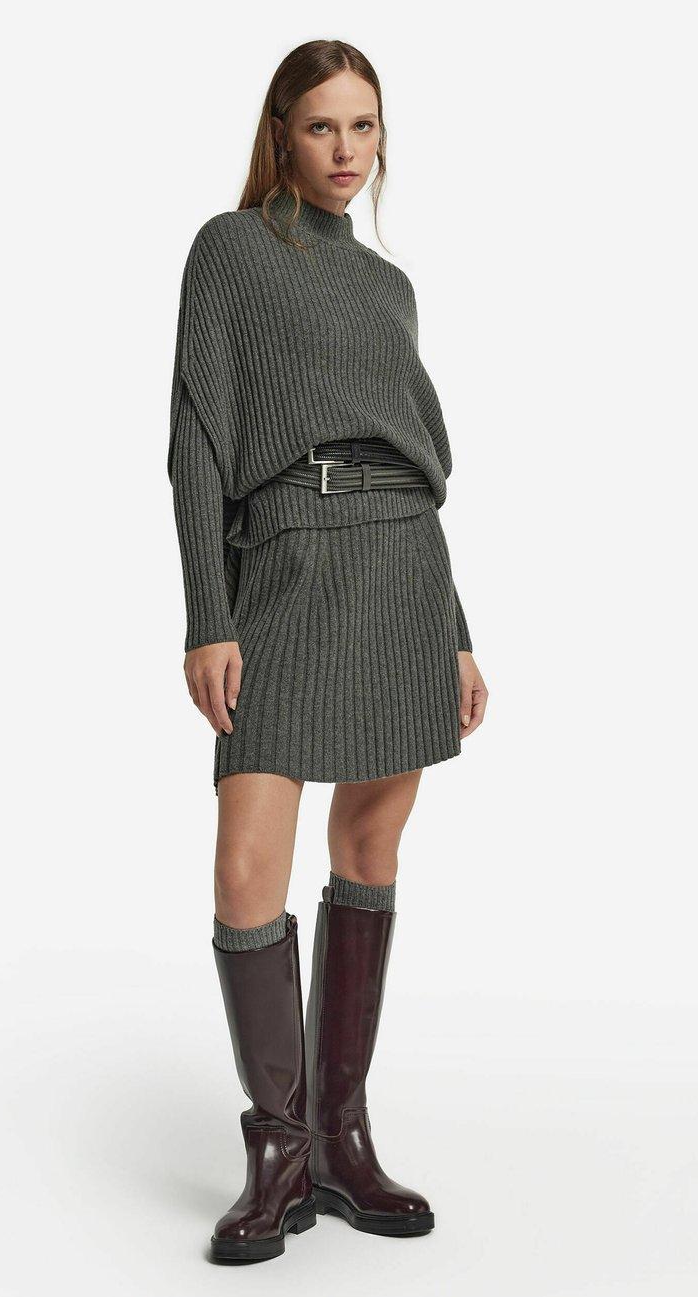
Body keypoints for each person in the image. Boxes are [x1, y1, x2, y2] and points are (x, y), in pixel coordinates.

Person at [167, 39, 488, 1264]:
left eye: (364, 126)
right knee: (246, 865)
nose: (346, 150)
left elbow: (419, 466)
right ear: (280, 135)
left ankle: (341, 1143)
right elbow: (198, 443)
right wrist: (210, 613)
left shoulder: (389, 288)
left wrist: (456, 633)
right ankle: (279, 1150)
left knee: (369, 849)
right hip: (287, 565)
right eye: (321, 127)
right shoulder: (231, 251)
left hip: (403, 569)